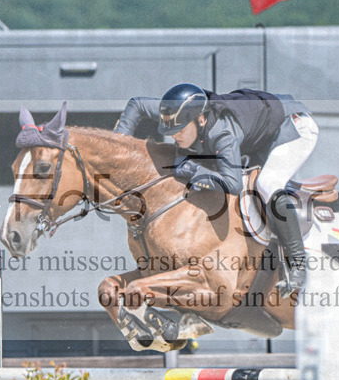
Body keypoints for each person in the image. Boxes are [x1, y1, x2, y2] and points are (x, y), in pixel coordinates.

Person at [114, 83, 319, 296]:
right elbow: (136, 104)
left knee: (267, 184)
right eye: (172, 131)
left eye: (181, 131)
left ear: (200, 120)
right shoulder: (176, 112)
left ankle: (298, 265)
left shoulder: (223, 133)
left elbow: (232, 184)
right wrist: (118, 143)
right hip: (261, 131)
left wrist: (195, 171)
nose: (175, 136)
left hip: (294, 128)